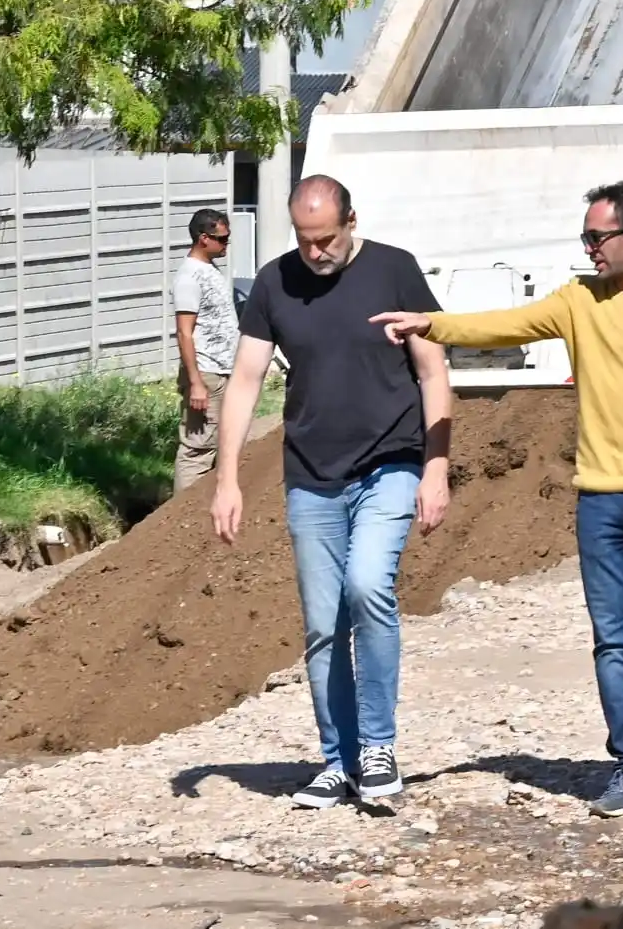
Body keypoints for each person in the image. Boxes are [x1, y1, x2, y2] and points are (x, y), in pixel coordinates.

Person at [370, 180, 623, 818]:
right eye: (586, 238)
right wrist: (430, 323)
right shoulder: (579, 300)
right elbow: (503, 327)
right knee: (610, 639)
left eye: (596, 238)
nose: (589, 250)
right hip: (600, 496)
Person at [211, 174, 452, 810]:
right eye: (304, 239)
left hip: (390, 463)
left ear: (351, 221)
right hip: (312, 476)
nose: (315, 252)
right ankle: (337, 760)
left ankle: (377, 746)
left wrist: (437, 466)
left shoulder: (394, 270)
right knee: (323, 623)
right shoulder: (273, 282)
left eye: (326, 238)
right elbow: (244, 381)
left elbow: (433, 372)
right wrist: (227, 476)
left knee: (368, 585)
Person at [171, 208, 240, 492]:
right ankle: (180, 519)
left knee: (221, 442)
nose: (226, 244)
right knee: (197, 449)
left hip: (222, 369)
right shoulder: (189, 277)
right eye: (222, 239)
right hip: (206, 372)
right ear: (203, 238)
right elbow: (184, 332)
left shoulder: (209, 269)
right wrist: (196, 382)